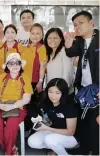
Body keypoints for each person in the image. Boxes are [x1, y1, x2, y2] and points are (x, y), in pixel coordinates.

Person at [64, 11, 99, 155]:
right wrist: (68, 44)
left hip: (97, 89)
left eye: (81, 23)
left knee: (95, 121)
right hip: (84, 88)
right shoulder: (80, 40)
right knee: (84, 120)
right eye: (75, 25)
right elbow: (71, 53)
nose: (77, 27)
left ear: (91, 23)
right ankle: (85, 149)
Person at [0, 53, 33, 155]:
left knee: (11, 126)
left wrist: (12, 106)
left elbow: (27, 99)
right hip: (1, 104)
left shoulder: (24, 78)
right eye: (11, 63)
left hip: (18, 106)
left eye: (17, 63)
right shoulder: (2, 77)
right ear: (7, 66)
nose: (14, 66)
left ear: (20, 65)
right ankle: (11, 147)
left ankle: (8, 152)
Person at [27, 78, 78, 155]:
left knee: (50, 139)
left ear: (63, 93)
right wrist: (37, 120)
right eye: (50, 92)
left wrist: (46, 128)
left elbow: (70, 132)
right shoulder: (46, 103)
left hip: (70, 137)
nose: (53, 96)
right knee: (32, 142)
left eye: (57, 93)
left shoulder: (69, 106)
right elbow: (32, 108)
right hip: (52, 132)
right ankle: (56, 148)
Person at [44, 28, 74, 94]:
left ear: (61, 39)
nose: (52, 40)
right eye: (49, 38)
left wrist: (63, 89)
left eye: (55, 38)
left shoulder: (64, 51)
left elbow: (68, 71)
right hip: (51, 90)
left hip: (62, 90)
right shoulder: (49, 53)